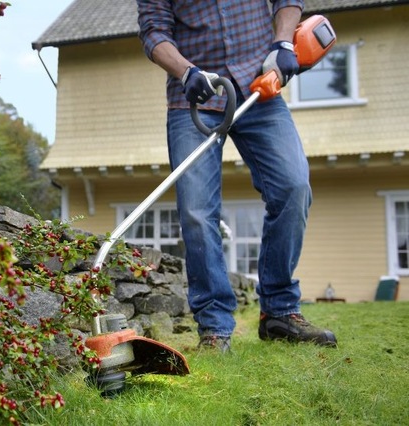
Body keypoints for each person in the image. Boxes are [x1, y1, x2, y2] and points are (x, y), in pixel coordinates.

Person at [136, 0, 337, 352]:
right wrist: (185, 72)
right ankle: (215, 329)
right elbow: (155, 33)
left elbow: (287, 2)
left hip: (261, 87)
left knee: (293, 187)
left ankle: (279, 312)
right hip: (197, 96)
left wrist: (284, 43)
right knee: (197, 213)